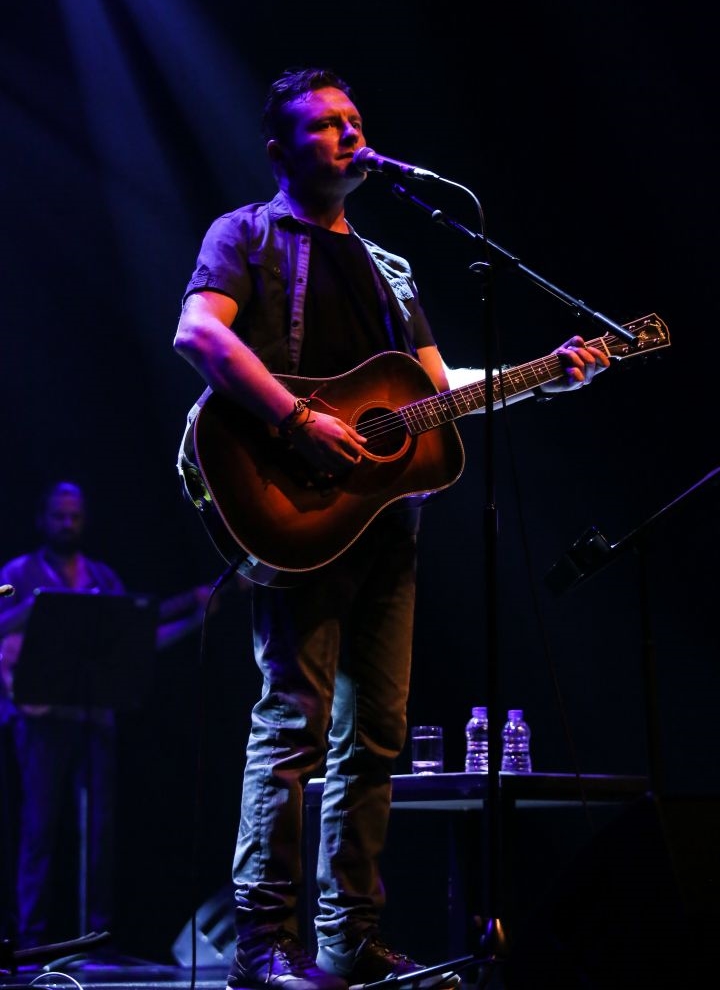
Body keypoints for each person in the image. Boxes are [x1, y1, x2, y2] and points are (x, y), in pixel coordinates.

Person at [172, 66, 611, 990]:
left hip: (380, 519)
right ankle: (264, 941)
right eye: (326, 124)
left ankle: (350, 941)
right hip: (289, 502)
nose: (350, 134)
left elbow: (436, 391)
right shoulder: (245, 234)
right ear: (280, 150)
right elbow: (200, 336)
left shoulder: (389, 267)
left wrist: (544, 376)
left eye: (355, 120)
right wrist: (299, 420)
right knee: (292, 721)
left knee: (376, 732)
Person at [0, 480, 213, 952]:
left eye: (74, 515)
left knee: (99, 833)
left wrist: (194, 617)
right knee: (38, 832)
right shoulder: (19, 573)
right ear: (42, 519)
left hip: (95, 720)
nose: (67, 523)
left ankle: (93, 941)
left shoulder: (102, 577)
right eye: (59, 515)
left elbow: (137, 641)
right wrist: (38, 609)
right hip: (38, 722)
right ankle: (30, 940)